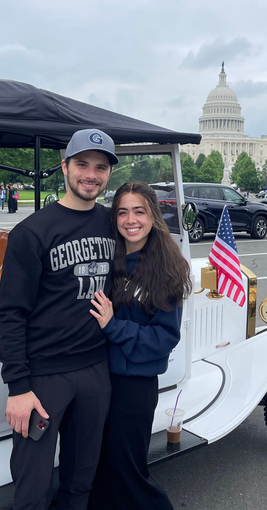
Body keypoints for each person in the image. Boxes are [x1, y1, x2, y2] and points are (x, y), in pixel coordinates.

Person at [0, 128, 118, 510]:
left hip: (96, 370)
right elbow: (10, 313)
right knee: (32, 488)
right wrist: (17, 386)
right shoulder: (32, 232)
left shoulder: (114, 225)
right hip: (44, 379)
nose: (91, 174)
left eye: (100, 167)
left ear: (109, 173)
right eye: (82, 164)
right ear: (64, 167)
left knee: (81, 481)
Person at [87, 182, 191, 510]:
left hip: (134, 387)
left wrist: (113, 325)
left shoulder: (168, 269)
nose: (131, 219)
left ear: (153, 216)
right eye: (122, 212)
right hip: (101, 380)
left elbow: (163, 339)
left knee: (128, 472)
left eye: (139, 211)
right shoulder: (109, 260)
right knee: (101, 468)